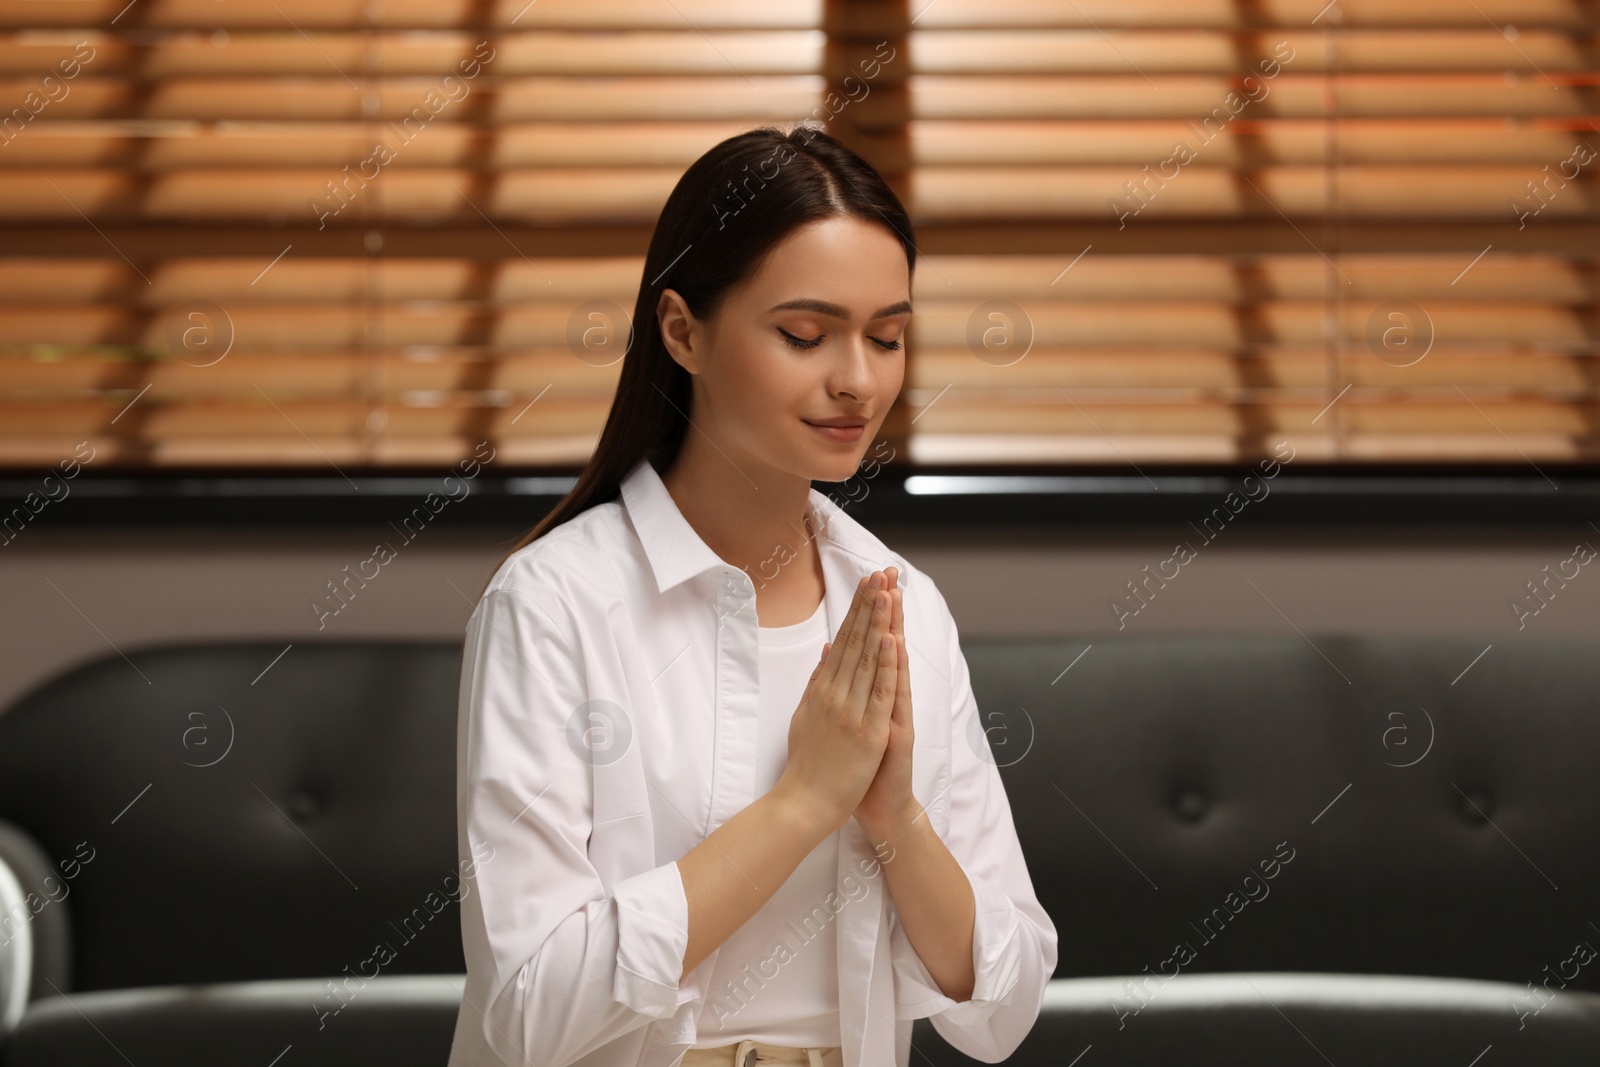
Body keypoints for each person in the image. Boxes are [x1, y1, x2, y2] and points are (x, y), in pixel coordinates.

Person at [445, 124, 1057, 1067]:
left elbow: (1003, 1006)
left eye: (888, 336)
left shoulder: (904, 607)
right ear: (683, 331)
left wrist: (895, 819)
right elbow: (531, 1011)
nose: (858, 380)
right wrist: (803, 801)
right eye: (804, 334)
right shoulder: (553, 604)